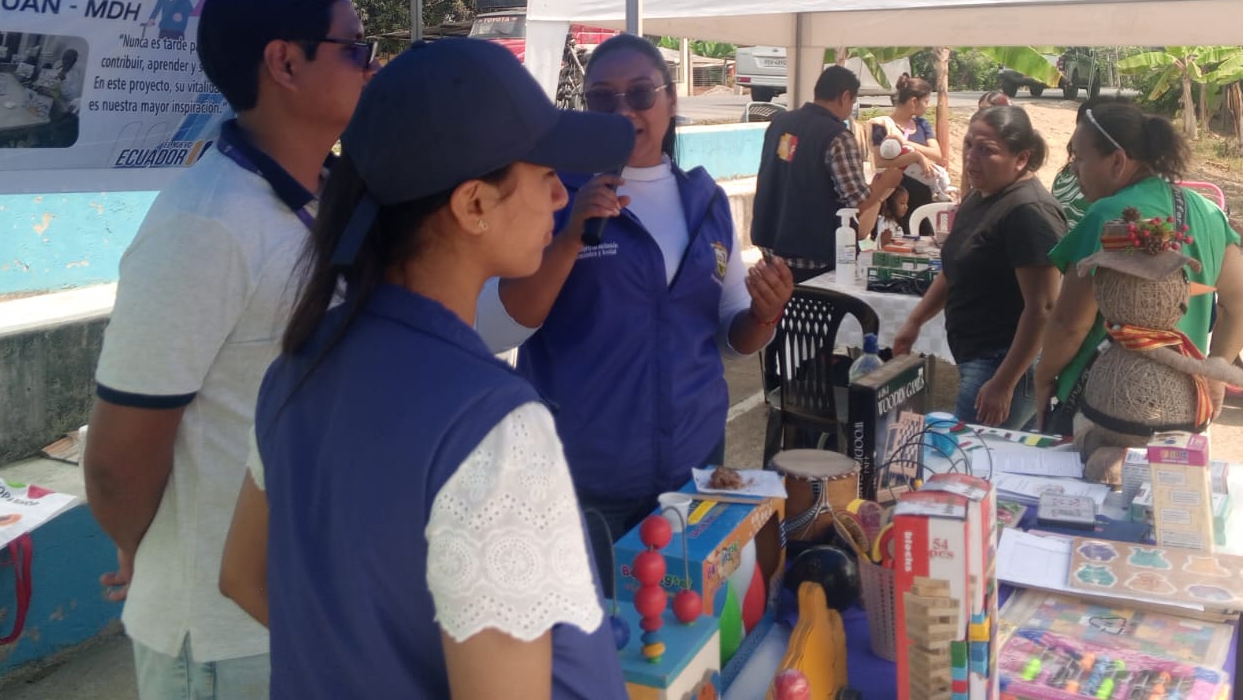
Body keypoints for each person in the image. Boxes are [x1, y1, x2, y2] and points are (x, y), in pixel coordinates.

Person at [221, 38, 633, 698]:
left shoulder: (300, 364)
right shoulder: (493, 426)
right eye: (543, 174)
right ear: (474, 205)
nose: (562, 194)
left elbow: (244, 579)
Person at [83, 0, 375, 699]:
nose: (371, 64)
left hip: (310, 604)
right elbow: (118, 458)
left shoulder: (331, 194)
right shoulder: (204, 225)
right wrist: (148, 549)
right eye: (355, 47)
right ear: (285, 62)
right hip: (225, 638)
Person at [489, 34, 795, 569]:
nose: (623, 110)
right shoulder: (551, 193)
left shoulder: (706, 201)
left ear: (670, 101)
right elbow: (501, 327)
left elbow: (730, 336)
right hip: (585, 475)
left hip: (694, 468)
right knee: (599, 619)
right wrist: (570, 237)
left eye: (640, 94)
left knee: (687, 613)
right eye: (603, 98)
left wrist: (765, 313)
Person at [1035, 101, 1243, 440]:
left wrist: (1043, 378)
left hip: (1104, 399)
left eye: (1079, 159)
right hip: (1181, 402)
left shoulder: (1107, 215)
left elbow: (1070, 324)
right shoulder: (1207, 212)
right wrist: (1215, 370)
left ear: (1117, 161)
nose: (1074, 172)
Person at [892, 106, 1067, 428]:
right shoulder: (982, 195)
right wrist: (915, 321)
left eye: (987, 150)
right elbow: (956, 267)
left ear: (1021, 158)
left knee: (970, 453)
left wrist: (1003, 383)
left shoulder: (1030, 212)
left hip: (1005, 363)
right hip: (978, 357)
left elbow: (1043, 307)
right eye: (969, 145)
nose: (971, 157)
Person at [753, 64, 915, 274]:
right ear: (845, 96)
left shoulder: (780, 122)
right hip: (812, 255)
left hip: (770, 246)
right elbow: (858, 201)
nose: (850, 110)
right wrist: (886, 183)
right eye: (853, 102)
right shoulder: (837, 136)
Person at [870, 72, 950, 223]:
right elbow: (881, 163)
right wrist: (916, 157)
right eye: (926, 101)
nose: (927, 106)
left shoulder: (922, 124)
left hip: (924, 201)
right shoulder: (881, 126)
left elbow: (937, 155)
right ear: (914, 101)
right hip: (894, 202)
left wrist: (907, 144)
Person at [877, 184, 911, 249]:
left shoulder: (894, 223)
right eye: (902, 203)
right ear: (890, 204)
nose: (906, 207)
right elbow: (885, 247)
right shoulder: (886, 225)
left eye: (906, 203)